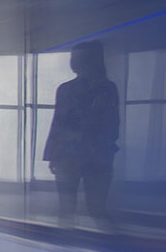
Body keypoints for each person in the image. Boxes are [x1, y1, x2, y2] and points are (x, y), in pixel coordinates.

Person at [42, 40, 119, 228]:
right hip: (74, 157)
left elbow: (111, 124)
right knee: (73, 209)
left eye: (76, 57)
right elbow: (58, 123)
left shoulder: (102, 89)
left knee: (92, 208)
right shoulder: (69, 89)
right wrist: (53, 155)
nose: (72, 61)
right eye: (72, 57)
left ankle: (106, 244)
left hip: (86, 156)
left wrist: (53, 154)